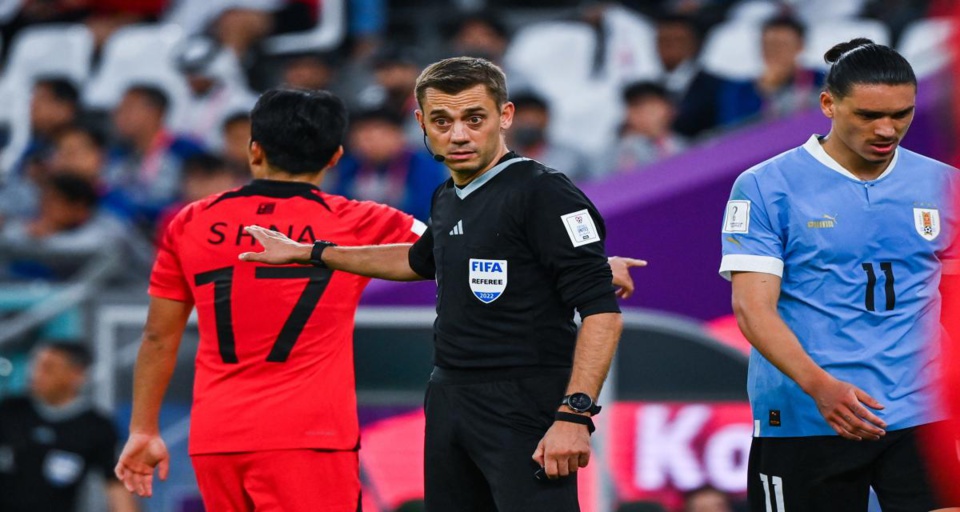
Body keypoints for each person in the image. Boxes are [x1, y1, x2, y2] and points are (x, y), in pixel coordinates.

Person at [240, 57, 645, 511]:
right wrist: (310, 251)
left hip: (525, 401)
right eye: (441, 120)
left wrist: (574, 414)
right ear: (421, 124)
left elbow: (602, 314)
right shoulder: (448, 194)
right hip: (450, 396)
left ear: (505, 116)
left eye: (474, 119)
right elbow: (417, 260)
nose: (458, 135)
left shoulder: (544, 191)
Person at [113, 88, 429, 512]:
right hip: (310, 439)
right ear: (335, 157)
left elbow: (157, 337)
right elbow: (444, 251)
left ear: (253, 149)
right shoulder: (360, 220)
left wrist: (143, 429)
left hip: (217, 438)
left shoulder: (190, 221)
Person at [719, 39, 960, 511]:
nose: (887, 129)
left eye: (902, 114)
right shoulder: (766, 186)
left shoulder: (943, 184)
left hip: (920, 412)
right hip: (806, 415)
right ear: (828, 104)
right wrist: (820, 387)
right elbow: (752, 309)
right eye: (869, 115)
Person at [0, 342, 138, 512]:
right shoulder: (10, 411)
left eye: (48, 368)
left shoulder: (96, 427)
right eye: (34, 365)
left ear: (77, 375)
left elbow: (117, 487)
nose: (35, 374)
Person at [718, 16, 825, 127]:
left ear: (800, 46)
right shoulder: (740, 91)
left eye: (783, 45)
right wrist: (765, 91)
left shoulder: (822, 79)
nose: (775, 51)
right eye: (768, 45)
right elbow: (733, 132)